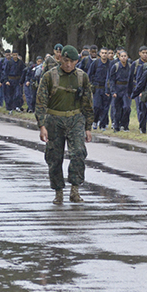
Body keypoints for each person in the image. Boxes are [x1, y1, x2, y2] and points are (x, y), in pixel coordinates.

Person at [35, 45, 93, 204]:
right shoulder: (49, 77)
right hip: (54, 120)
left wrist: (88, 127)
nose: (68, 64)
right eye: (66, 61)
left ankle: (75, 189)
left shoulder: (82, 77)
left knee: (78, 153)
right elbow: (40, 102)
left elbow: (88, 103)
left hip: (75, 119)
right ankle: (58, 191)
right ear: (60, 59)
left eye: (72, 61)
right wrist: (42, 125)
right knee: (54, 157)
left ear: (76, 61)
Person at [107, 49, 133, 132]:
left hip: (126, 88)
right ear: (119, 57)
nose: (123, 58)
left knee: (127, 107)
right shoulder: (115, 66)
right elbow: (111, 80)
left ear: (127, 57)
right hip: (118, 88)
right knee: (117, 108)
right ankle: (116, 125)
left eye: (125, 56)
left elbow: (132, 79)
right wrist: (113, 91)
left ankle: (125, 125)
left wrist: (131, 91)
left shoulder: (130, 66)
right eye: (122, 56)